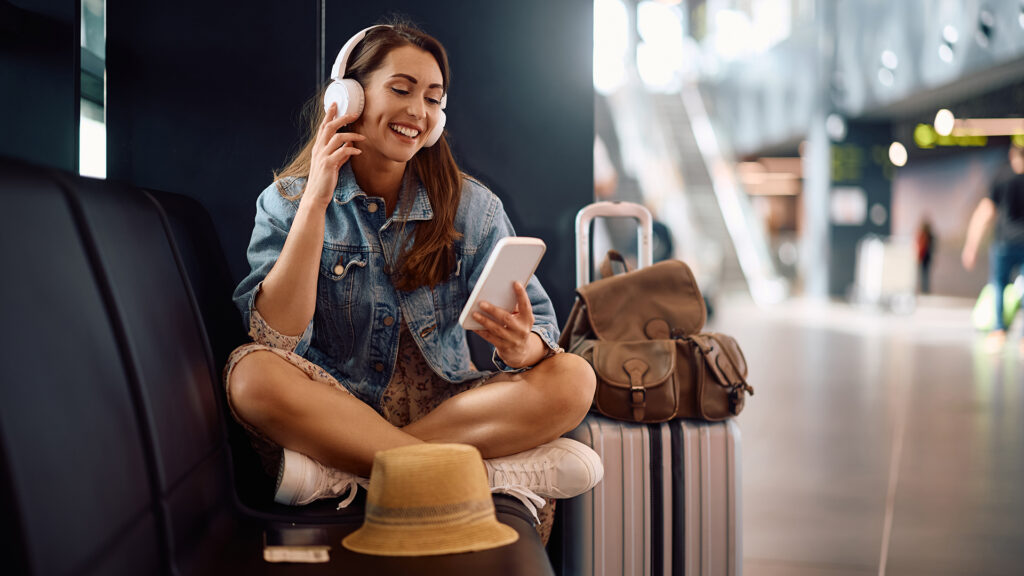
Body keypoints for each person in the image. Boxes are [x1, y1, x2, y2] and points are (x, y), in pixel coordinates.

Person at [224, 22, 601, 521]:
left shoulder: (473, 208)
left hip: (450, 412)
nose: (418, 112)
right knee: (251, 375)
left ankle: (357, 474)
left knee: (574, 377)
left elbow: (543, 337)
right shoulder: (286, 203)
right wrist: (316, 200)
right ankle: (483, 474)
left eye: (433, 98)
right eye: (401, 90)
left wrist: (521, 346)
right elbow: (275, 337)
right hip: (336, 411)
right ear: (348, 98)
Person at [962, 144, 1024, 352]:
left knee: (998, 285)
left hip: (1004, 243)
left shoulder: (1001, 177)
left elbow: (985, 212)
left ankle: (998, 331)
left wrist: (971, 246)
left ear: (1012, 154)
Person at [916, 216, 934, 294]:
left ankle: (924, 289)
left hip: (924, 256)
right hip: (925, 256)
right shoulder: (927, 235)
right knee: (924, 274)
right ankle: (924, 289)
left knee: (924, 274)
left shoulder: (925, 235)